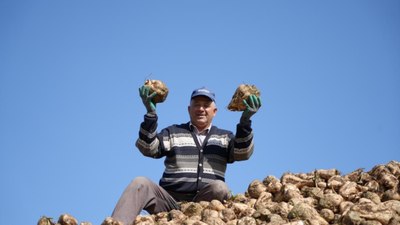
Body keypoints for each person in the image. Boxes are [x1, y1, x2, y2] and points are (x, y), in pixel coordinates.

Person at [106, 86, 261, 225]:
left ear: (214, 112)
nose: (201, 109)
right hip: (168, 203)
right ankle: (117, 223)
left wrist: (245, 122)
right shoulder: (173, 132)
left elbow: (243, 153)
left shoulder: (224, 137)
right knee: (140, 183)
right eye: (197, 105)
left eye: (206, 105)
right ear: (189, 109)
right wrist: (150, 115)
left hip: (206, 206)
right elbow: (148, 148)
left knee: (220, 187)